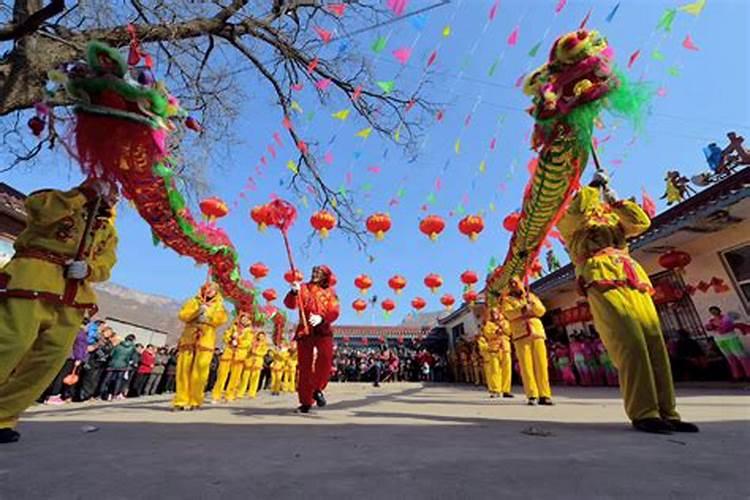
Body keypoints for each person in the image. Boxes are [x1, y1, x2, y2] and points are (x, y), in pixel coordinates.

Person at [557, 174, 698, 434]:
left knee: (654, 342)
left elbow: (640, 222)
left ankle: (668, 412)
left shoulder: (612, 217)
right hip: (599, 275)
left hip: (631, 275)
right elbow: (575, 213)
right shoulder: (568, 220)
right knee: (629, 342)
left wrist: (616, 200)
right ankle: (644, 412)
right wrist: (591, 187)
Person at [0, 180, 117, 443]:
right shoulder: (56, 199)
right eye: (108, 188)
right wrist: (82, 195)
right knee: (10, 345)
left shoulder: (107, 231)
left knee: (47, 362)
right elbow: (39, 211)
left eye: (115, 193)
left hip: (73, 294)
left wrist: (89, 270)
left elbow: (106, 262)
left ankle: (3, 416)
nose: (111, 195)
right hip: (32, 281)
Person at [284, 265, 340, 413]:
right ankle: (305, 402)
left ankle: (317, 388)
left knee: (326, 358)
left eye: (319, 273)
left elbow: (334, 311)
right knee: (304, 368)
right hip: (305, 330)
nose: (315, 274)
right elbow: (290, 305)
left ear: (325, 276)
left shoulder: (330, 293)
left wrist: (322, 318)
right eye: (314, 271)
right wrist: (293, 293)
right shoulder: (303, 288)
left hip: (323, 329)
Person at [172, 282, 228, 411]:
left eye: (212, 289)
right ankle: (181, 400)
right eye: (207, 288)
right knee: (183, 370)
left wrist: (208, 315)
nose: (209, 291)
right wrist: (197, 311)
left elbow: (221, 320)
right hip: (189, 338)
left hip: (206, 340)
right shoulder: (193, 301)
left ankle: (196, 399)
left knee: (200, 372)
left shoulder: (219, 305)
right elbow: (183, 315)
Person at [502, 276, 553, 406]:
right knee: (526, 366)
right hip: (520, 334)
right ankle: (532, 394)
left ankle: (545, 394)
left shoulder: (531, 296)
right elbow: (509, 314)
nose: (513, 284)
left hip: (537, 332)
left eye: (516, 282)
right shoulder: (507, 300)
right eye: (511, 283)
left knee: (541, 365)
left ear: (521, 283)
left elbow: (541, 311)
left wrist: (533, 304)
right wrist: (522, 310)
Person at [211, 311, 253, 403]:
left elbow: (248, 343)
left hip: (239, 355)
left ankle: (230, 395)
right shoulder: (233, 327)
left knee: (235, 377)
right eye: (242, 318)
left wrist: (238, 340)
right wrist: (230, 338)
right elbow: (225, 336)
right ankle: (216, 395)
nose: (244, 320)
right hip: (228, 352)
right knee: (221, 374)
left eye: (246, 319)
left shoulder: (250, 331)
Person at [705, 306, 750, 380]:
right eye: (712, 311)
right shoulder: (711, 320)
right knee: (730, 358)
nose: (713, 312)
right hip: (719, 340)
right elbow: (708, 328)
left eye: (715, 310)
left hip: (731, 338)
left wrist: (715, 327)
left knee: (741, 356)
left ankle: (748, 374)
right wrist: (711, 327)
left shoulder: (726, 318)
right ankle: (737, 375)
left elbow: (724, 329)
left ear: (719, 310)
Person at [482, 306, 514, 398]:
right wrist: (496, 331)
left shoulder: (505, 322)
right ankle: (496, 390)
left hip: (505, 348)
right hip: (494, 349)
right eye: (492, 313)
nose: (494, 315)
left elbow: (509, 331)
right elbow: (487, 334)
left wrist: (502, 328)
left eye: (496, 312)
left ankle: (506, 390)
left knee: (507, 370)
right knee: (495, 370)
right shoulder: (488, 324)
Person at [100, 334, 137, 401]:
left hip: (112, 364)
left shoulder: (118, 345)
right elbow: (133, 358)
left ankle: (101, 394)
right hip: (123, 365)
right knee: (118, 381)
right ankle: (114, 395)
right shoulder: (132, 348)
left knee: (107, 379)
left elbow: (111, 354)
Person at [239, 331, 270, 399]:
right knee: (245, 378)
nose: (260, 337)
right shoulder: (253, 342)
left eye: (262, 336)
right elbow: (248, 349)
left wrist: (256, 352)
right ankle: (240, 392)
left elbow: (264, 352)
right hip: (249, 361)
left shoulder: (265, 344)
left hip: (257, 362)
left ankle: (252, 393)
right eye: (259, 335)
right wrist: (251, 349)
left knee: (255, 379)